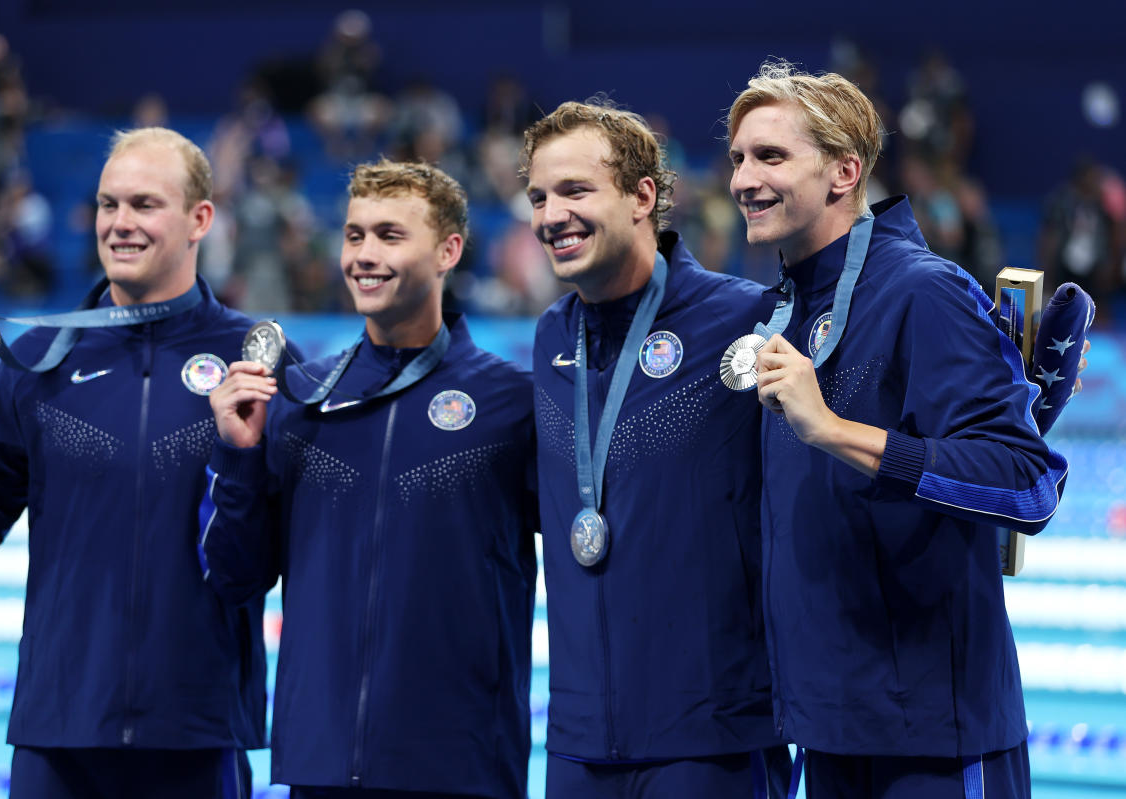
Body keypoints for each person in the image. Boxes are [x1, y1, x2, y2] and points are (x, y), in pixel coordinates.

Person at [727, 61, 1070, 797]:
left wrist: (834, 429)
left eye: (771, 155)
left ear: (844, 171)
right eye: (738, 158)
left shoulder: (925, 291)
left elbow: (1029, 484)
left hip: (934, 743)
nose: (743, 178)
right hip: (827, 732)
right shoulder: (784, 311)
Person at [0, 127, 269, 798]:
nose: (120, 224)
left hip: (197, 729)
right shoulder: (41, 362)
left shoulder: (251, 363)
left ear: (200, 219)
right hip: (61, 730)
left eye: (143, 204)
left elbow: (267, 558)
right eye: (109, 205)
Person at [201, 159, 537, 799]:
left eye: (389, 235)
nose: (364, 255)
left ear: (449, 250)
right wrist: (239, 455)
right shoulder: (300, 398)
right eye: (355, 236)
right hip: (320, 762)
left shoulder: (509, 402)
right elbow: (234, 576)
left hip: (463, 764)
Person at [521, 100, 790, 797]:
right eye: (539, 197)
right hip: (578, 746)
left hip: (711, 741)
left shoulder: (743, 319)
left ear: (643, 196)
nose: (552, 214)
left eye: (576, 190)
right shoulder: (552, 337)